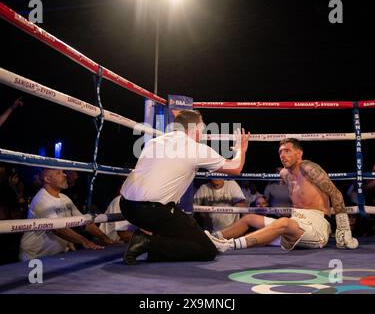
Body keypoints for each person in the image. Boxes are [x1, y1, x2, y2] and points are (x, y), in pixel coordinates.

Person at [119, 109, 250, 265]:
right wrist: (240, 149)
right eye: (202, 128)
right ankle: (148, 242)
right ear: (194, 128)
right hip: (154, 212)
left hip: (126, 206)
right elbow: (235, 167)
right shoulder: (195, 149)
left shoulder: (154, 142)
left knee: (184, 229)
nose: (203, 133)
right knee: (206, 250)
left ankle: (150, 241)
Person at [206, 138, 358, 252]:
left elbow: (335, 193)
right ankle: (212, 238)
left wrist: (344, 228)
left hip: (316, 227)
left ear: (299, 153)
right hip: (295, 224)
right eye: (280, 152)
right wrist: (241, 151)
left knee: (284, 222)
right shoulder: (285, 174)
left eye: (287, 151)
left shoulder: (309, 167)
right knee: (249, 218)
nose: (282, 155)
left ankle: (229, 245)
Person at [19, 168, 116, 260]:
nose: (64, 174)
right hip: (34, 257)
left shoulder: (64, 198)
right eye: (59, 173)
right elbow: (58, 229)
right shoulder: (41, 200)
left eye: (63, 172)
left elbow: (85, 222)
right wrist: (85, 241)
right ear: (47, 179)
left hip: (53, 257)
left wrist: (106, 239)